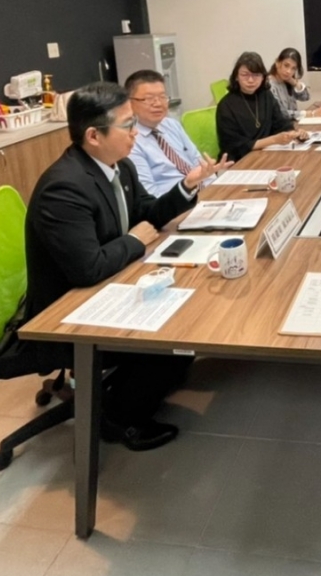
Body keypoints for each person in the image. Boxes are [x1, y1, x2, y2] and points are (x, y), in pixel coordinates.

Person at [21, 82, 217, 452]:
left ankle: (137, 385)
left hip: (108, 281)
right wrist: (135, 240)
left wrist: (187, 186)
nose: (135, 133)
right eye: (127, 125)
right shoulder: (64, 188)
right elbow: (88, 268)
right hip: (65, 309)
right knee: (173, 338)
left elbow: (147, 214)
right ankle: (119, 420)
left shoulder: (119, 166)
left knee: (187, 320)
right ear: (93, 136)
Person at [125, 69, 232, 195]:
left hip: (204, 194)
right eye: (149, 99)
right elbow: (150, 195)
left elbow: (199, 163)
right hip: (176, 202)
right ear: (129, 102)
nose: (158, 104)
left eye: (162, 97)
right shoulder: (130, 140)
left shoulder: (171, 125)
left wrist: (215, 190)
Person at [215, 51, 308, 161]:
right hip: (237, 162)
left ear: (263, 77)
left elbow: (280, 123)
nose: (250, 80)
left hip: (264, 155)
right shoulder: (226, 105)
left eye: (256, 75)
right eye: (245, 75)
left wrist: (293, 133)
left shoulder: (266, 96)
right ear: (236, 77)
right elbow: (233, 146)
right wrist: (273, 140)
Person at [266, 48, 311, 119]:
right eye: (286, 65)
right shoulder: (269, 85)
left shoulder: (287, 81)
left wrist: (295, 83)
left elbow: (305, 97)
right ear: (277, 63)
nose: (288, 71)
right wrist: (310, 113)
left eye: (293, 68)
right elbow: (280, 113)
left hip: (291, 123)